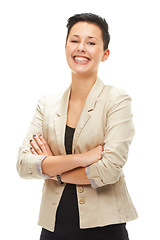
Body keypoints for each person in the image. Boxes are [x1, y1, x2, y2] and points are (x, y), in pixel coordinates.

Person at [17, 13, 138, 240]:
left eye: (91, 43)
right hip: (53, 229)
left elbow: (110, 169)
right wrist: (83, 159)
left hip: (106, 231)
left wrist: (52, 169)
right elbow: (24, 165)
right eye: (75, 40)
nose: (81, 47)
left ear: (105, 54)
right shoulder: (47, 104)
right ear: (65, 47)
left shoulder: (117, 100)